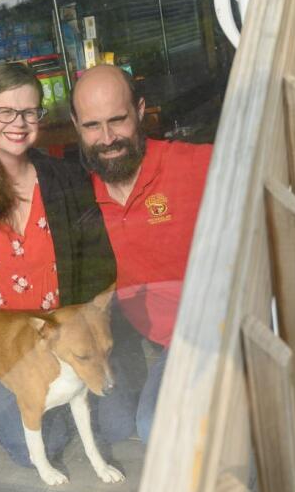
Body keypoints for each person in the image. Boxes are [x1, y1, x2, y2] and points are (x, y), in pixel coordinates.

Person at [0, 62, 130, 468]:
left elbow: (100, 265)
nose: (19, 123)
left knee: (117, 425)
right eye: (5, 112)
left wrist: (86, 327)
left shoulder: (67, 181)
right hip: (6, 352)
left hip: (65, 341)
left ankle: (61, 400)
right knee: (37, 445)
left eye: (30, 112)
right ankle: (31, 402)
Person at [70, 64, 213, 443]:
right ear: (75, 126)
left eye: (118, 120)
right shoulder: (78, 195)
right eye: (92, 126)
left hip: (207, 336)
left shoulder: (193, 165)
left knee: (157, 429)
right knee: (114, 429)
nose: (107, 138)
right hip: (131, 340)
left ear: (140, 110)